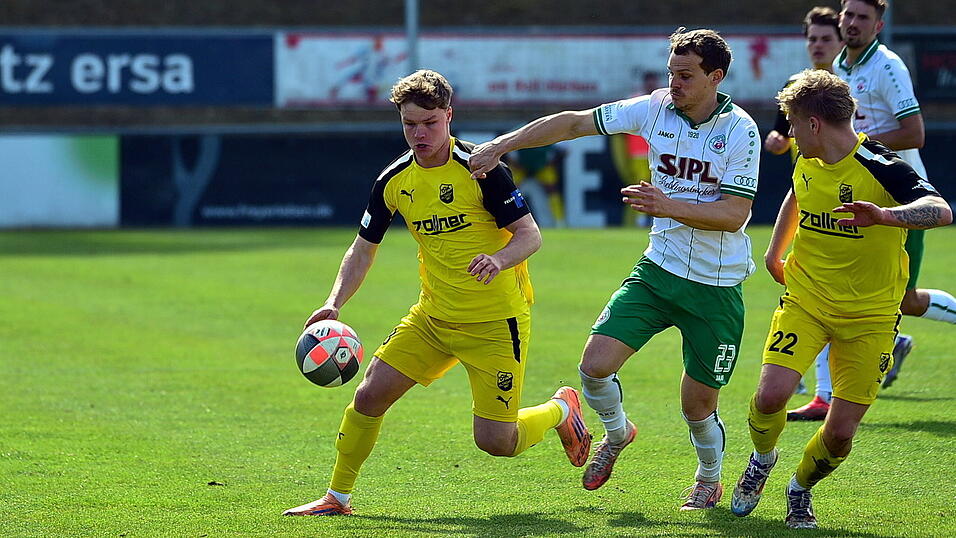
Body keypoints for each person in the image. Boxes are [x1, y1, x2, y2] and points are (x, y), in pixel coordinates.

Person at [470, 28, 761, 510]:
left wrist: (667, 206)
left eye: (686, 76)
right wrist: (503, 145)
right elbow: (572, 123)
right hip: (658, 272)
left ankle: (709, 478)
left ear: (716, 76)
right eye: (671, 73)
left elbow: (736, 214)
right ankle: (617, 431)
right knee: (593, 368)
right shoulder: (654, 108)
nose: (675, 84)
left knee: (697, 406)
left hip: (717, 286)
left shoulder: (740, 130)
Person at [283, 70, 591, 517]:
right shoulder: (393, 181)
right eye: (410, 124)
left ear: (449, 115)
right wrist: (334, 303)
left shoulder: (482, 168)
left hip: (494, 323)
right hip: (432, 319)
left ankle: (561, 410)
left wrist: (500, 260)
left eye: (429, 122)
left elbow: (530, 236)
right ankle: (338, 497)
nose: (419, 133)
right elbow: (363, 249)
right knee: (369, 396)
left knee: (496, 443)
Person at [730, 69, 952, 529]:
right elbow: (797, 192)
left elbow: (940, 210)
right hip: (807, 299)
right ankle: (761, 461)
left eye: (792, 122)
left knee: (841, 435)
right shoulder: (806, 155)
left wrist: (885, 216)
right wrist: (776, 252)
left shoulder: (881, 164)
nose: (788, 131)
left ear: (814, 124)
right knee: (771, 396)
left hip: (872, 315)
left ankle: (800, 490)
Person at [836, 0, 956, 384]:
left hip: (902, 201)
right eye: (848, 14)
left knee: (905, 299)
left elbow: (914, 133)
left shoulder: (887, 66)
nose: (853, 23)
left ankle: (878, 357)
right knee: (848, 290)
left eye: (863, 18)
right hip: (863, 197)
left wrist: (856, 144)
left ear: (878, 25)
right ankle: (844, 380)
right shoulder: (841, 66)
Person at [762, 6, 846, 419]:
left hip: (845, 197)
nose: (817, 45)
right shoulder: (796, 86)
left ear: (841, 42)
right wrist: (777, 140)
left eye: (825, 39)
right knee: (807, 284)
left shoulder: (845, 90)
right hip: (807, 191)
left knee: (823, 288)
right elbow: (778, 132)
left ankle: (823, 388)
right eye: (812, 38)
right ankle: (819, 388)